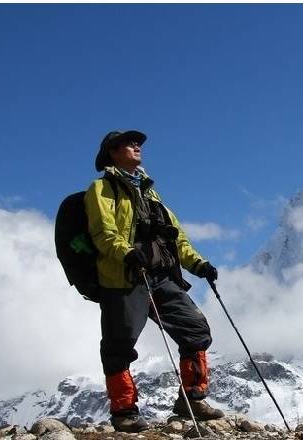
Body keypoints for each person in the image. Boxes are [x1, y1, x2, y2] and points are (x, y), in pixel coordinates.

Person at [84, 130, 225, 432]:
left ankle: (193, 398)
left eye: (138, 143)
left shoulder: (150, 192)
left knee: (195, 329)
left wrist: (198, 263)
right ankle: (123, 411)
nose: (137, 147)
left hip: (161, 277)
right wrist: (127, 254)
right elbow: (103, 233)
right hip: (124, 278)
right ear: (112, 152)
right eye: (129, 143)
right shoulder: (102, 189)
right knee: (119, 344)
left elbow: (176, 238)